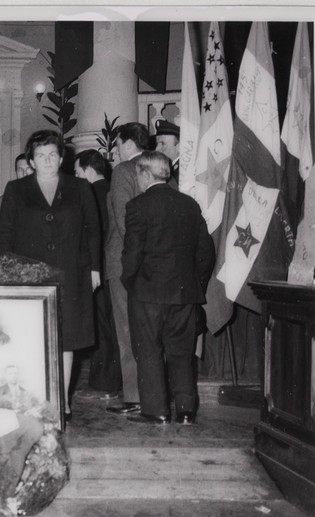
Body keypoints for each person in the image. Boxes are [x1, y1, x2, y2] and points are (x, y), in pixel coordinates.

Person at [0, 129, 101, 422]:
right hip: (28, 276)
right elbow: (5, 235)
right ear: (31, 160)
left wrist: (94, 268)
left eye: (52, 155)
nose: (47, 160)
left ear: (61, 157)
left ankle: (61, 400)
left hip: (72, 273)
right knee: (32, 338)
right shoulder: (16, 190)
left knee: (66, 339)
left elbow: (93, 230)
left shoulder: (81, 188)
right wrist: (8, 271)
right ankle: (36, 398)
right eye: (40, 155)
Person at [121, 151, 215, 424]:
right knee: (182, 353)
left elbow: (131, 255)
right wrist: (194, 283)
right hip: (184, 293)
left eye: (138, 173)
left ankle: (156, 410)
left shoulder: (138, 206)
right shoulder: (189, 204)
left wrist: (131, 281)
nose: (137, 179)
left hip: (148, 292)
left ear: (146, 174)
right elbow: (205, 252)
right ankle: (186, 411)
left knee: (148, 350)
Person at [105, 122, 149, 417]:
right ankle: (151, 392)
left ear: (129, 144)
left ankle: (134, 397)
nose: (116, 150)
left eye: (118, 144)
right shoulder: (157, 166)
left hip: (125, 260)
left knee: (126, 329)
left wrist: (133, 260)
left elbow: (123, 219)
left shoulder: (123, 171)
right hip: (152, 261)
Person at [74, 149, 122, 397]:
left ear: (88, 171)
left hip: (96, 270)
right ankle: (108, 382)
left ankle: (105, 384)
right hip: (109, 269)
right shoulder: (111, 190)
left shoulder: (91, 193)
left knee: (102, 327)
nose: (76, 176)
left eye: (77, 171)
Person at [154, 118, 180, 187]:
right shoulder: (170, 168)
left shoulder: (183, 171)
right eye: (157, 144)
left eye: (163, 144)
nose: (157, 149)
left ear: (179, 146)